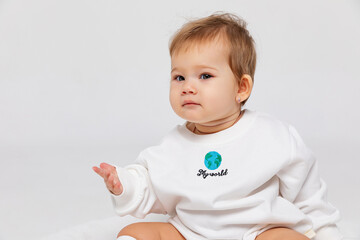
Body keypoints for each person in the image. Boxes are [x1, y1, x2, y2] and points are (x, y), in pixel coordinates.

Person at [93, 12, 342, 240]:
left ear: (241, 88)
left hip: (257, 231)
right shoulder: (172, 146)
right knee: (133, 232)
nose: (187, 86)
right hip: (189, 232)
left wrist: (326, 230)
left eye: (204, 76)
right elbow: (149, 185)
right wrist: (123, 184)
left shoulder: (273, 136)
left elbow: (308, 195)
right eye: (179, 77)